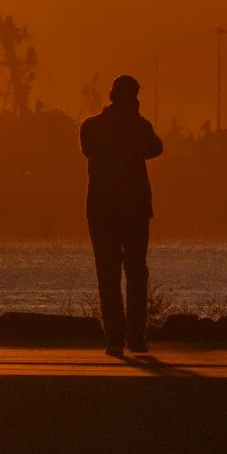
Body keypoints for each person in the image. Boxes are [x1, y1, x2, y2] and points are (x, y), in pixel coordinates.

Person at [81, 74, 162, 355]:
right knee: (128, 273)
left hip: (114, 210)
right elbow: (152, 148)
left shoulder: (99, 127)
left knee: (117, 274)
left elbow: (156, 148)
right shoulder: (102, 127)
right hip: (123, 210)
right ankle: (127, 336)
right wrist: (130, 135)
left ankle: (121, 337)